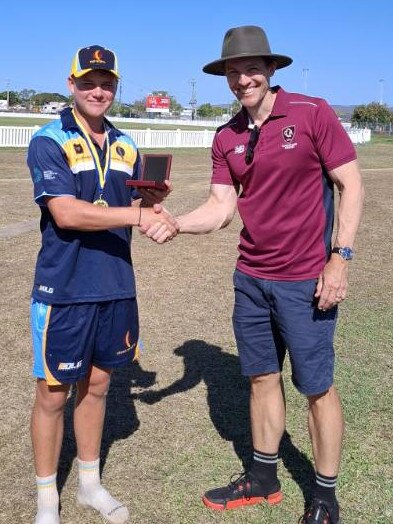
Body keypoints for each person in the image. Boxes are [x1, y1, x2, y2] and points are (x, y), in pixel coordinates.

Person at [142, 25, 364, 524]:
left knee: (317, 387)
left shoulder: (312, 113)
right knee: (262, 378)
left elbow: (350, 185)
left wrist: (339, 258)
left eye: (251, 68)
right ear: (225, 78)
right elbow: (221, 208)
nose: (243, 79)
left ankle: (325, 495)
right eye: (233, 71)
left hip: (306, 279)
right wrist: (176, 224)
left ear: (270, 69)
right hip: (251, 278)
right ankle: (264, 478)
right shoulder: (227, 136)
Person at [27, 44, 178, 524]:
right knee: (53, 393)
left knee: (97, 386)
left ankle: (89, 484)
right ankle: (47, 499)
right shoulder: (49, 139)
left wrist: (152, 203)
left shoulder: (127, 145)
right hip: (64, 289)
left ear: (116, 87)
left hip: (115, 285)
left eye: (107, 82)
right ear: (70, 85)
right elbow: (66, 212)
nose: (98, 90)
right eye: (88, 82)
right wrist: (137, 213)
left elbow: (137, 207)